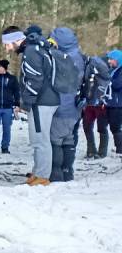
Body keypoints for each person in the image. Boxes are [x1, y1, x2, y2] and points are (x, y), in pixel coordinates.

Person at [1, 25, 61, 185]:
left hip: (41, 102)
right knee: (37, 139)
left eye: (7, 44)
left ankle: (42, 176)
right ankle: (38, 172)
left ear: (15, 40)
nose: (7, 48)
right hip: (43, 100)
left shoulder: (31, 52)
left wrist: (26, 103)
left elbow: (34, 80)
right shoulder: (34, 49)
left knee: (41, 140)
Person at [49, 27, 85, 182]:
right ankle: (68, 171)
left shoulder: (61, 58)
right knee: (69, 139)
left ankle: (56, 173)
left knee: (55, 141)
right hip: (75, 107)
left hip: (60, 106)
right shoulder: (79, 56)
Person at [104, 49, 122, 156]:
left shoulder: (120, 71)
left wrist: (107, 80)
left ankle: (120, 149)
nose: (109, 61)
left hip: (118, 103)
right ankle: (118, 147)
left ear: (118, 60)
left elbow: (117, 85)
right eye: (109, 59)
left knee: (116, 126)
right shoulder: (112, 70)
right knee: (113, 126)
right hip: (111, 102)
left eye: (112, 59)